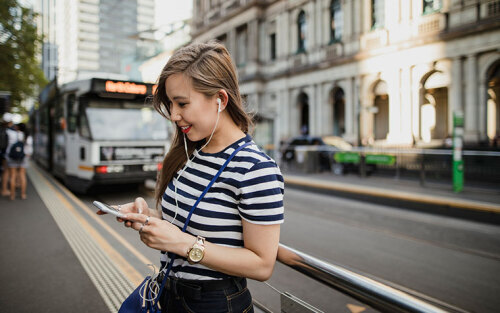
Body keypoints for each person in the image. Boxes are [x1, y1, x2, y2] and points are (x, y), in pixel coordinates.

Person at [97, 41, 284, 312]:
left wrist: (182, 244)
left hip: (215, 303)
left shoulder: (255, 169)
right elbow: (187, 224)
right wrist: (149, 216)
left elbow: (262, 264)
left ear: (220, 100)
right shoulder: (190, 151)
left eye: (182, 103)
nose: (174, 115)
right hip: (167, 293)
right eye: (171, 104)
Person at [5, 123, 32, 200]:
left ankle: (12, 195)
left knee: (12, 176)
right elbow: (29, 150)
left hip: (12, 157)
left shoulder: (11, 134)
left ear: (17, 127)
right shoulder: (27, 136)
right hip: (23, 157)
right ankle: (23, 194)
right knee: (22, 175)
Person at [1, 113, 14, 197]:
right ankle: (4, 190)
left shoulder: (2, 130)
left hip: (2, 153)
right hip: (5, 154)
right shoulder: (9, 132)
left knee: (5, 172)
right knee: (6, 172)